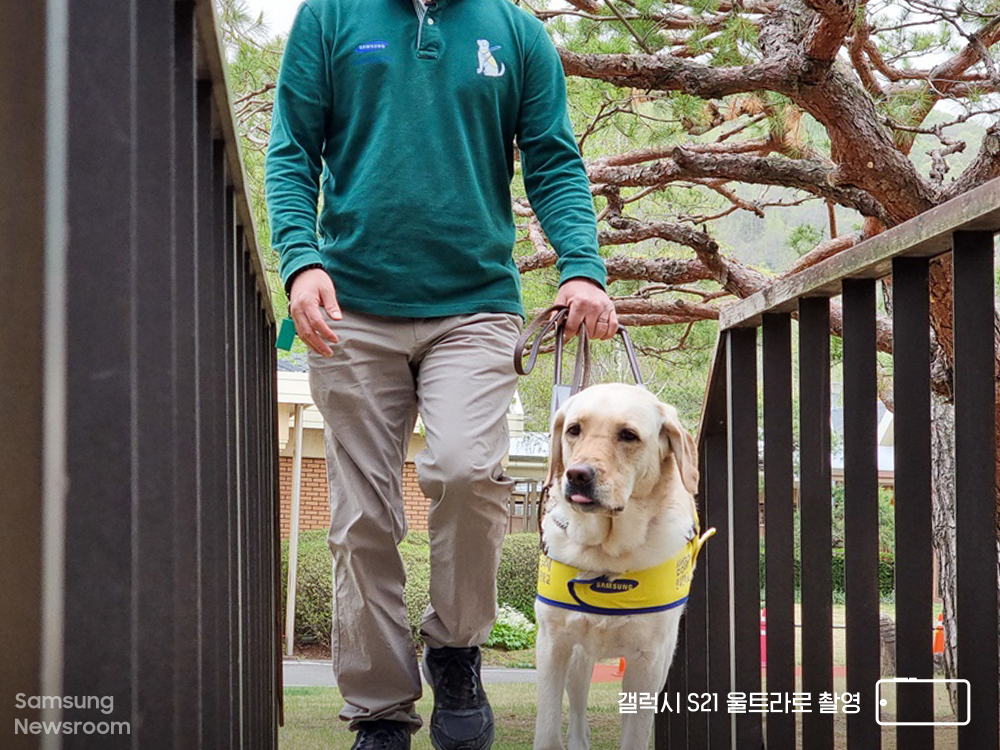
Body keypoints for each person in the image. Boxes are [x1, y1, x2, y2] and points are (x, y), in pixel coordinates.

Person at [265, 1, 617, 748]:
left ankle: (455, 649)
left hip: (475, 305)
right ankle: (382, 710)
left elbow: (553, 158)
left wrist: (581, 267)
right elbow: (292, 150)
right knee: (361, 518)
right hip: (351, 305)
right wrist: (300, 260)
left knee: (465, 471)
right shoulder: (329, 17)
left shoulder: (515, 32)